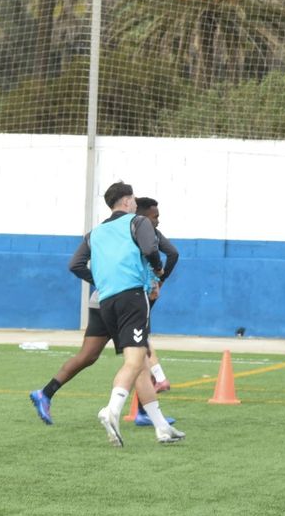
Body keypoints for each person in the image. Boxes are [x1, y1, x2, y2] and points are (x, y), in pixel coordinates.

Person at [31, 197, 178, 427]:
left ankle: (45, 393)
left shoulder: (102, 232)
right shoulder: (142, 228)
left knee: (89, 356)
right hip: (127, 298)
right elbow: (172, 254)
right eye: (154, 217)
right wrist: (160, 279)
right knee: (138, 354)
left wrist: (100, 280)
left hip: (100, 299)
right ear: (136, 212)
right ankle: (139, 412)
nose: (156, 221)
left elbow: (75, 264)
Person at [67, 182, 182, 446]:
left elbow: (74, 265)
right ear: (128, 201)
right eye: (133, 199)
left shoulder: (94, 233)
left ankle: (162, 427)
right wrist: (157, 273)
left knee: (140, 364)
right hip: (132, 297)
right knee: (134, 361)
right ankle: (112, 411)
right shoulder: (138, 221)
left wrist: (100, 277)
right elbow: (151, 250)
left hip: (106, 301)